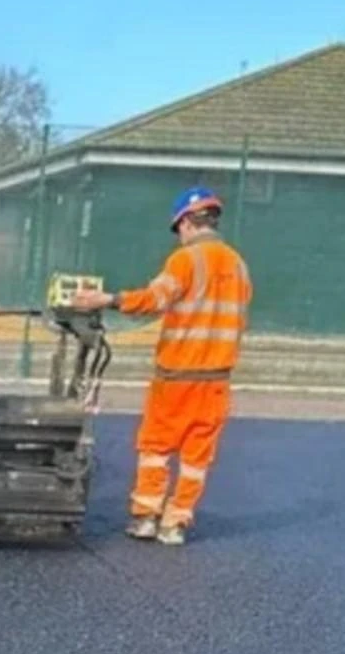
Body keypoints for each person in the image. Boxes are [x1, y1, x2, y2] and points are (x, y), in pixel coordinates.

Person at [71, 186, 251, 545]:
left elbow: (155, 299)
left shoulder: (185, 260)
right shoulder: (238, 265)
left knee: (155, 447)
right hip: (217, 380)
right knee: (196, 457)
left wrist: (108, 300)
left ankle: (146, 517)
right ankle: (176, 523)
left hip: (177, 376)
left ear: (185, 222)